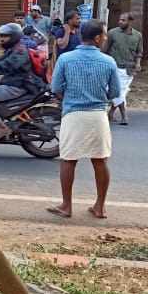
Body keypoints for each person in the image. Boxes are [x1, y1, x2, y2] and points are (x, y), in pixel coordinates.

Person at [46, 21, 120, 219]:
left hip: (73, 114)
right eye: (104, 36)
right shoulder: (108, 62)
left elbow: (56, 87)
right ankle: (100, 206)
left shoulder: (66, 59)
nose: (105, 39)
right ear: (97, 38)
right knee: (100, 160)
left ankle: (66, 206)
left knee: (69, 160)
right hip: (97, 115)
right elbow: (115, 92)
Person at [105, 12, 144, 125]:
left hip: (129, 69)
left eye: (123, 20)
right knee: (118, 91)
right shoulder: (112, 33)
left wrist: (138, 63)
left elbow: (139, 52)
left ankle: (111, 113)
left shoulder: (138, 35)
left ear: (130, 22)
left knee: (121, 91)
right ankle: (124, 116)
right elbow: (105, 50)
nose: (120, 22)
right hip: (114, 67)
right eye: (120, 20)